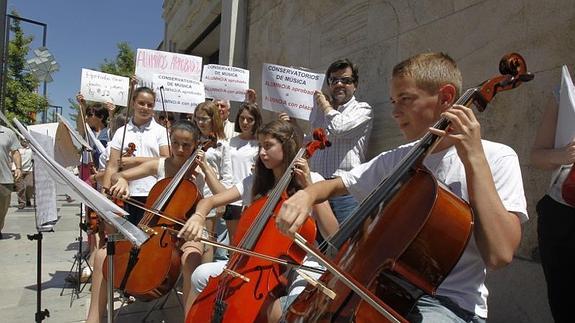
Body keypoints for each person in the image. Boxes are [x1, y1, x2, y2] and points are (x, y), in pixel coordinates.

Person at [277, 52, 527, 322]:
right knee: (281, 309)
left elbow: (499, 254)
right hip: (385, 293)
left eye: (406, 100)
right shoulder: (400, 157)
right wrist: (307, 194)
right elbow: (337, 185)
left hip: (449, 305)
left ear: (445, 97)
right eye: (394, 102)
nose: (395, 112)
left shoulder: (497, 158)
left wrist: (474, 159)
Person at [179, 120, 338, 320]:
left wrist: (309, 186)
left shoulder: (314, 179)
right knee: (200, 274)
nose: (262, 153)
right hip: (254, 265)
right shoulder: (255, 182)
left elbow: (333, 232)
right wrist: (198, 216)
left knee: (294, 307)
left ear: (286, 146)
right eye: (260, 146)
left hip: (300, 264)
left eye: (268, 146)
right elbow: (210, 200)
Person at [85, 120, 224, 323]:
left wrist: (205, 168)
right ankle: (94, 318)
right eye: (175, 143)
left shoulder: (201, 170)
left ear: (195, 145)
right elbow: (117, 175)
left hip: (188, 230)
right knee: (102, 255)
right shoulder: (160, 164)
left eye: (186, 145)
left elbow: (222, 199)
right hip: (152, 228)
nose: (180, 149)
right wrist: (122, 181)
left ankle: (191, 318)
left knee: (191, 258)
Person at [309, 58, 373, 224]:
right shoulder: (321, 112)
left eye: (345, 80)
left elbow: (339, 128)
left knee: (347, 244)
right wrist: (292, 123)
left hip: (345, 193)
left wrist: (325, 106)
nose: (338, 84)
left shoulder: (363, 109)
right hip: (318, 189)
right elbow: (310, 142)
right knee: (318, 246)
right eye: (334, 80)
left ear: (355, 85)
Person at [530, 86, 575, 323]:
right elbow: (537, 155)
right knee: (565, 307)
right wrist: (563, 155)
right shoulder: (566, 94)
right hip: (562, 218)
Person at [102, 86, 170, 225]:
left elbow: (166, 160)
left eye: (150, 105)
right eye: (141, 103)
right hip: (126, 194)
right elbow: (112, 166)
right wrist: (104, 195)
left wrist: (135, 161)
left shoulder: (161, 131)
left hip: (154, 194)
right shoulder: (121, 132)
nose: (145, 107)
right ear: (133, 103)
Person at [193, 101, 233, 263]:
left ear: (213, 119)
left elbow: (227, 175)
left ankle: (203, 277)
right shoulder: (192, 139)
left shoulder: (221, 144)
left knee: (206, 241)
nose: (200, 122)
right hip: (188, 193)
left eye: (204, 119)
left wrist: (222, 199)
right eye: (197, 119)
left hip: (209, 194)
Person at [224, 102, 262, 240]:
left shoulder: (260, 144)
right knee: (234, 241)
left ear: (256, 121)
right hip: (232, 197)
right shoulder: (229, 142)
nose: (245, 122)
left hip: (251, 197)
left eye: (250, 119)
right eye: (242, 118)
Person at [0, 125, 21, 239]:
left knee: (2, 210)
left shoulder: (8, 132)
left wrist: (18, 168)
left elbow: (15, 152)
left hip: (4, 178)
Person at [15, 139, 33, 209]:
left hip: (29, 170)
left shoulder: (31, 148)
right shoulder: (17, 148)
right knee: (20, 187)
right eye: (23, 140)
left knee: (30, 185)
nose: (24, 141)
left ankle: (28, 199)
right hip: (18, 170)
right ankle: (22, 202)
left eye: (26, 140)